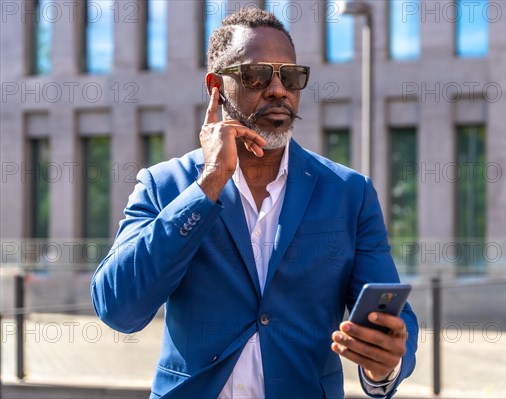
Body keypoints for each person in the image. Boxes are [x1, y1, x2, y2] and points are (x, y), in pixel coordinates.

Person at [91, 8, 417, 399]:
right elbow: (119, 307)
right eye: (257, 75)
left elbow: (392, 317)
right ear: (216, 86)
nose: (278, 89)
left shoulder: (349, 192)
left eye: (291, 77)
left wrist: (386, 363)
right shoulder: (164, 185)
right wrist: (207, 185)